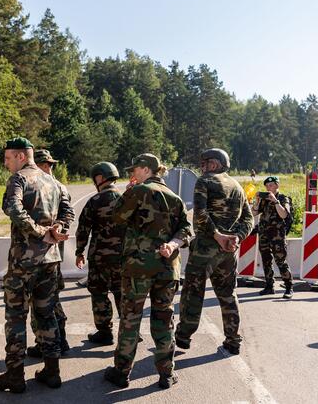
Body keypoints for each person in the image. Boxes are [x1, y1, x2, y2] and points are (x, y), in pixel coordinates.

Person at [104, 153, 193, 390]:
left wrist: (128, 192)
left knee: (130, 320)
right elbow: (186, 230)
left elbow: (116, 217)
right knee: (164, 319)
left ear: (145, 169)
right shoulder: (175, 198)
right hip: (167, 268)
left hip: (138, 268)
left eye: (135, 169)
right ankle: (166, 374)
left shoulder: (138, 191)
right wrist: (173, 244)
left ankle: (121, 373)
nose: (132, 173)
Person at [0, 138, 72, 393]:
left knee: (15, 317)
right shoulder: (54, 182)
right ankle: (52, 371)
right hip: (50, 260)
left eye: (8, 158)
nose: (6, 163)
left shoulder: (19, 179)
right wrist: (58, 229)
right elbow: (68, 213)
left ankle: (15, 376)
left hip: (24, 261)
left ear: (22, 157)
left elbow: (12, 207)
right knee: (47, 315)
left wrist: (40, 232)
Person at [175, 148, 254, 355]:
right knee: (228, 294)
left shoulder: (205, 181)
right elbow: (249, 219)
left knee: (193, 292)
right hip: (229, 251)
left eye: (205, 162)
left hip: (206, 247)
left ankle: (183, 337)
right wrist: (236, 237)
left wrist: (217, 235)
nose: (202, 167)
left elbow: (200, 214)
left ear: (216, 164)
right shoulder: (237, 186)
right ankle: (233, 339)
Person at [26, 149, 74, 358]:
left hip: (39, 254)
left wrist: (54, 228)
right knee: (51, 301)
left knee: (43, 305)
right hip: (53, 255)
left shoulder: (40, 185)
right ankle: (58, 341)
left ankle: (48, 343)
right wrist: (59, 226)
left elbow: (67, 215)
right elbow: (68, 215)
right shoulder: (59, 186)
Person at [75, 161, 125, 345]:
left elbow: (83, 230)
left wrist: (79, 252)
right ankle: (130, 331)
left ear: (99, 178)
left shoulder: (95, 201)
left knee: (99, 293)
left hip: (99, 258)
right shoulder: (126, 199)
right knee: (123, 293)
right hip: (123, 258)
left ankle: (105, 332)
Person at [254, 176, 294, 299]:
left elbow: (283, 214)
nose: (268, 187)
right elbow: (254, 213)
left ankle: (289, 287)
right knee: (266, 260)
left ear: (277, 185)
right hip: (264, 234)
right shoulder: (264, 199)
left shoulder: (283, 198)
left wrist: (275, 200)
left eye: (270, 185)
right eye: (266, 185)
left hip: (277, 236)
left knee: (280, 261)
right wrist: (257, 201)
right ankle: (269, 286)